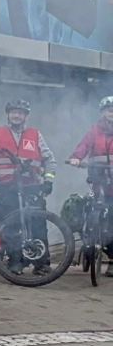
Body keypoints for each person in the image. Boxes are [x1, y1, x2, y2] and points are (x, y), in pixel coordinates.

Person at [0, 98, 56, 273]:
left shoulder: (35, 135)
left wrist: (48, 180)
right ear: (8, 114)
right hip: (6, 186)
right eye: (13, 112)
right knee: (12, 226)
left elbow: (49, 160)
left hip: (32, 186)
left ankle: (41, 263)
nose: (16, 115)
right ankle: (16, 261)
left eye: (20, 113)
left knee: (38, 223)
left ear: (25, 116)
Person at [70, 98, 113, 251]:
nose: (112, 112)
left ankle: (111, 256)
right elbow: (84, 145)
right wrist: (76, 158)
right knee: (97, 207)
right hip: (99, 177)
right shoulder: (95, 130)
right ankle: (90, 235)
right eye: (109, 109)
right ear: (102, 112)